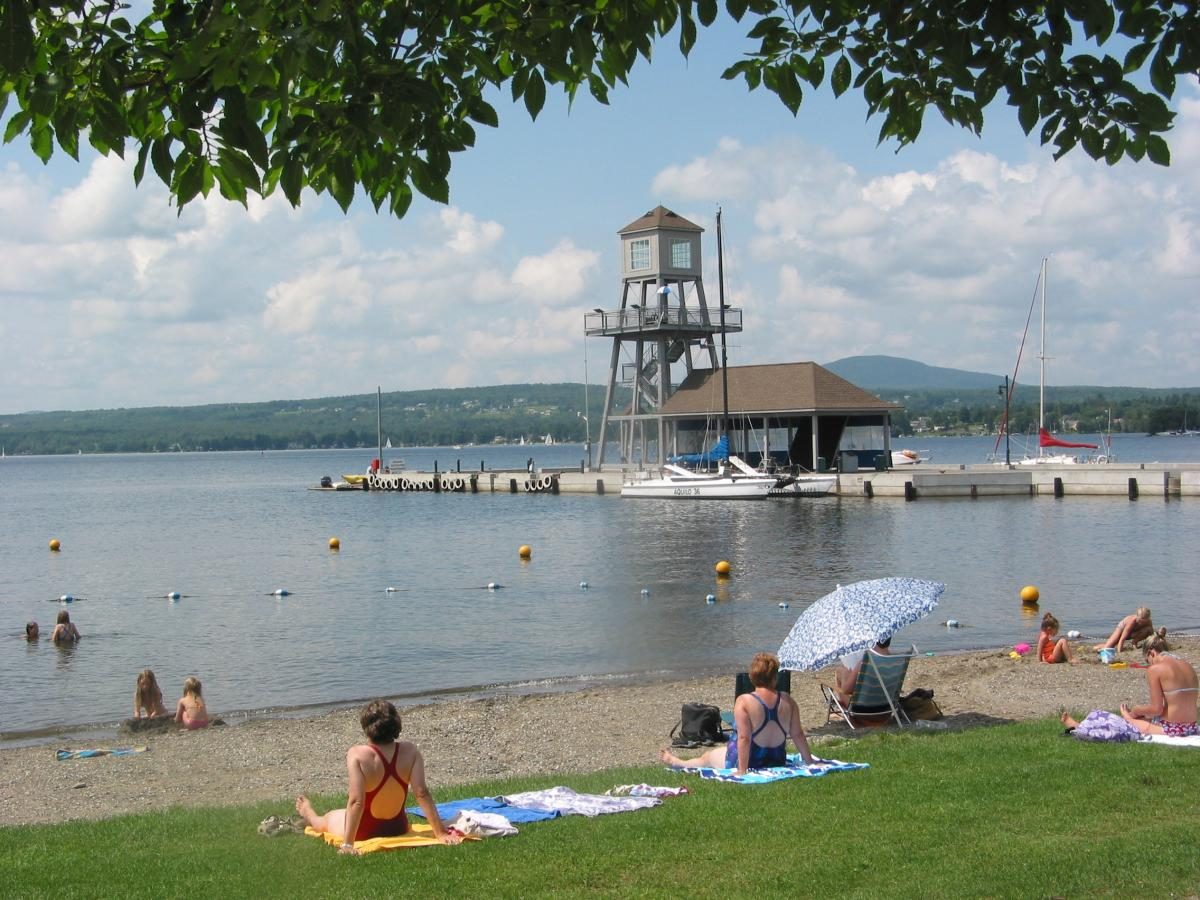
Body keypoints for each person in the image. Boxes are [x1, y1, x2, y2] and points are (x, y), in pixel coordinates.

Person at [294, 699, 461, 854]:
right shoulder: (410, 751)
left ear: (367, 728)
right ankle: (312, 814)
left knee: (327, 819)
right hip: (397, 827)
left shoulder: (357, 755)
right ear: (396, 724)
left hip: (364, 831)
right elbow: (421, 793)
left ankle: (309, 813)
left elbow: (356, 801)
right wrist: (440, 833)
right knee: (341, 813)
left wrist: (347, 844)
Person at [659, 652, 816, 775]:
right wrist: (809, 762)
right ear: (775, 678)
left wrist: (742, 770)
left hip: (750, 761)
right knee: (713, 754)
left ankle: (678, 763)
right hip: (776, 760)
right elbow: (798, 735)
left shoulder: (745, 701)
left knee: (707, 757)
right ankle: (679, 762)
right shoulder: (788, 701)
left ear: (751, 677)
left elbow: (744, 738)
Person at [1118, 632, 1199, 737]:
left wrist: (1135, 711)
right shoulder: (1187, 666)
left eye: (1148, 661)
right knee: (1144, 719)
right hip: (1191, 726)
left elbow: (1156, 709)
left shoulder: (1155, 669)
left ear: (1151, 653)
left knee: (1130, 721)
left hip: (1172, 728)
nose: (1150, 664)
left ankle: (1128, 717)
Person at [834, 636, 891, 705]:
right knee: (840, 671)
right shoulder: (894, 660)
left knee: (840, 673)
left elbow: (847, 689)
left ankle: (842, 709)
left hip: (865, 708)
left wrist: (844, 675)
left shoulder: (866, 661)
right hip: (888, 704)